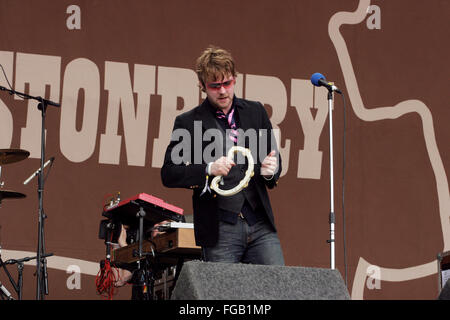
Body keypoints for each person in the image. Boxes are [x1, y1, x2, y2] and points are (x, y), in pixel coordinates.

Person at [161, 46, 284, 265]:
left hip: (260, 224)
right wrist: (208, 168)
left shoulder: (256, 111)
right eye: (215, 86)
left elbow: (274, 161)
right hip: (219, 229)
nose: (223, 91)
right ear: (202, 86)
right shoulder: (188, 122)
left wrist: (269, 170)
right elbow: (169, 173)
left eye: (227, 83)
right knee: (222, 293)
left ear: (235, 79)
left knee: (278, 289)